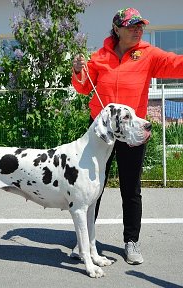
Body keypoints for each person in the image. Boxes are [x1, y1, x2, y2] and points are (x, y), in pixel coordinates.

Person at [71, 7, 183, 265]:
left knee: (130, 187)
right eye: (132, 26)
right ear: (117, 29)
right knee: (91, 186)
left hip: (132, 130)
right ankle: (85, 242)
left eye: (140, 26)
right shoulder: (99, 56)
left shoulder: (149, 54)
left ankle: (131, 241)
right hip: (101, 130)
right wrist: (78, 70)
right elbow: (83, 87)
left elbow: (175, 65)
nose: (138, 30)